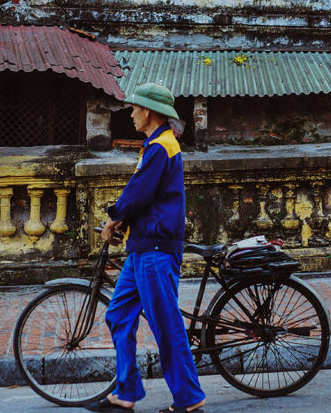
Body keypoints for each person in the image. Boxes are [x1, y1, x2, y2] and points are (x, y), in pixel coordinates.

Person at [87, 83, 206, 413]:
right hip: (142, 247)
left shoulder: (161, 147)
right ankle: (126, 392)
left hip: (155, 251)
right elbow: (143, 195)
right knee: (118, 314)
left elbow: (138, 194)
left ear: (149, 111)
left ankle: (189, 398)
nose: (132, 114)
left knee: (166, 325)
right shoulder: (154, 145)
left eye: (135, 108)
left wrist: (114, 218)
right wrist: (121, 221)